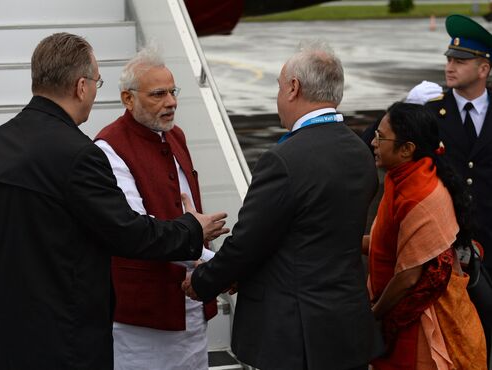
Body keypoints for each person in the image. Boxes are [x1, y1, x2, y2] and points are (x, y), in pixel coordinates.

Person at [0, 32, 228, 370]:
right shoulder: (80, 155)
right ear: (81, 86)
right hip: (62, 344)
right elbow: (129, 234)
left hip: (1, 341)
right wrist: (192, 229)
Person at [182, 40, 383, 370]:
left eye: (278, 87)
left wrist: (205, 282)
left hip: (294, 335)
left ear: (293, 88)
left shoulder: (284, 159)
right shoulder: (359, 152)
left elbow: (248, 243)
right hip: (346, 328)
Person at [94, 47, 218, 369]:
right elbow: (137, 229)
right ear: (127, 99)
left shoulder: (176, 135)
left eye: (173, 92)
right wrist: (219, 263)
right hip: (145, 319)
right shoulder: (109, 147)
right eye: (158, 94)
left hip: (191, 303)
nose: (172, 102)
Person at [366, 102, 486, 369]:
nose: (374, 142)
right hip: (397, 310)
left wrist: (375, 313)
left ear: (407, 149)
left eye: (380, 136)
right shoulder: (400, 178)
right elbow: (384, 242)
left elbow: (409, 276)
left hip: (419, 320)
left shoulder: (419, 194)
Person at [423, 14, 492, 361]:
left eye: (461, 61)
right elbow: (377, 144)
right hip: (449, 247)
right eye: (449, 59)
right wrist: (405, 107)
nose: (450, 66)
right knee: (452, 340)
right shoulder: (432, 113)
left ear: (484, 69)